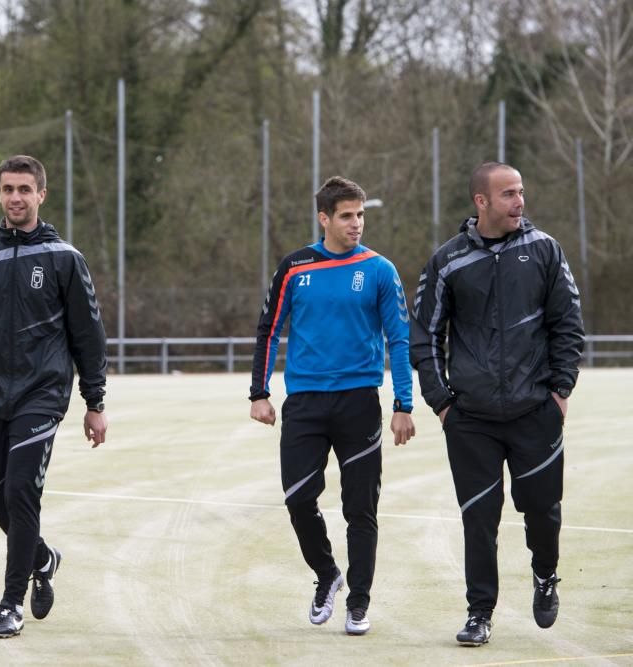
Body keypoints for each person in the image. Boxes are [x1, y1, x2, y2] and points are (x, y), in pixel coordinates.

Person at [0, 155, 108, 639]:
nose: (15, 198)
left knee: (20, 491)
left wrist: (95, 401)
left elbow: (87, 335)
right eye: (8, 189)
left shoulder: (65, 258)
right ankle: (44, 558)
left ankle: (11, 604)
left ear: (41, 195)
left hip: (42, 393)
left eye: (24, 189)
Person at [410, 162, 584, 646]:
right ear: (480, 202)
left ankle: (545, 575)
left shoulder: (545, 250)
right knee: (479, 520)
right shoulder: (447, 261)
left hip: (536, 413)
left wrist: (560, 390)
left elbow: (568, 323)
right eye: (508, 194)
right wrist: (442, 403)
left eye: (521, 192)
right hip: (471, 421)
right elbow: (424, 336)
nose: (519, 202)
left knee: (543, 511)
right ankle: (479, 612)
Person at [249, 175, 416, 636]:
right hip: (304, 403)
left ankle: (359, 603)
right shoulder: (295, 267)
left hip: (359, 403)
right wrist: (259, 393)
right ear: (324, 218)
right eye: (347, 215)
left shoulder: (380, 269)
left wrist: (404, 402)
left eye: (361, 214)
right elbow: (269, 330)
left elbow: (399, 338)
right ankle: (328, 576)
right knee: (299, 499)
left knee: (360, 509)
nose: (356, 223)